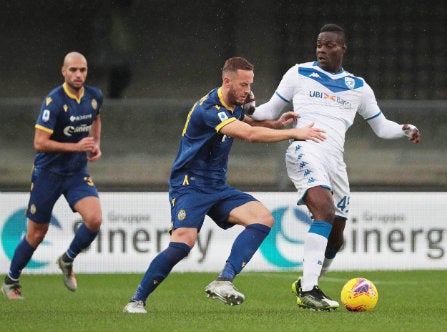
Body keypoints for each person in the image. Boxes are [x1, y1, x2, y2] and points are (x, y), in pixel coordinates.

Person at [123, 56, 326, 314]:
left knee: (263, 219)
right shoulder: (209, 109)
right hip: (190, 185)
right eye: (243, 84)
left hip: (217, 186)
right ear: (227, 81)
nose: (248, 90)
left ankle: (223, 280)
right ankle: (136, 300)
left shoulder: (235, 103)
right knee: (183, 244)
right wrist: (293, 133)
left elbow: (250, 122)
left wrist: (276, 124)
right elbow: (248, 134)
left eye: (250, 84)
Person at [251, 23, 421, 311]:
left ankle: (308, 281)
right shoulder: (298, 74)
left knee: (337, 235)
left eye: (329, 45)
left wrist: (403, 129)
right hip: (305, 149)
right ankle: (308, 290)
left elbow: (381, 127)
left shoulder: (358, 87)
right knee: (325, 211)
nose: (322, 49)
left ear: (343, 48)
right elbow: (267, 111)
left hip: (335, 162)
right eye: (319, 44)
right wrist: (246, 107)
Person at [1, 52, 104, 300]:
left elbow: (97, 118)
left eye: (83, 70)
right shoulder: (54, 102)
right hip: (48, 174)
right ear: (64, 72)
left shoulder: (94, 96)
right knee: (37, 234)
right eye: (73, 70)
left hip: (76, 173)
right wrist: (76, 147)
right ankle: (11, 281)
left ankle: (67, 259)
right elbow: (40, 142)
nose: (78, 74)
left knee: (94, 219)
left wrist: (96, 144)